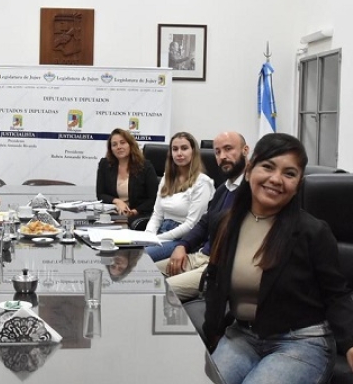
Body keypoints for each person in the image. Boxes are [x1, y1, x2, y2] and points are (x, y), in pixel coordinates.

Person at [202, 133, 353, 384]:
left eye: (289, 173)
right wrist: (212, 335)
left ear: (298, 184)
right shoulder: (225, 223)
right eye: (268, 167)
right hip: (243, 336)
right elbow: (216, 284)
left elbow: (336, 292)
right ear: (250, 169)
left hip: (301, 343)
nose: (276, 179)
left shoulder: (312, 232)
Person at [154, 131, 249, 301]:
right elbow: (204, 222)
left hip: (218, 266)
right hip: (200, 256)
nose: (222, 156)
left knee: (159, 291)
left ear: (245, 150)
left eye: (228, 149)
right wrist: (182, 245)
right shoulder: (224, 189)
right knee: (143, 275)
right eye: (218, 152)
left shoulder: (252, 190)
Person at [144, 132, 214, 262]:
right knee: (128, 252)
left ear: (193, 152)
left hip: (183, 239)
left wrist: (158, 238)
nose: (179, 153)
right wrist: (148, 236)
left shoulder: (202, 182)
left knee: (141, 257)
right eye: (175, 149)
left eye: (184, 148)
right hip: (162, 232)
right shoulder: (167, 178)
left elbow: (191, 224)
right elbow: (157, 214)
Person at [95, 128, 159, 223]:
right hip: (113, 214)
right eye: (114, 144)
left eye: (122, 143)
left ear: (130, 145)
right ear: (111, 149)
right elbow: (100, 194)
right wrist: (117, 201)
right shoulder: (105, 164)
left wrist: (135, 211)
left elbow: (153, 198)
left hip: (138, 215)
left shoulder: (145, 166)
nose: (119, 147)